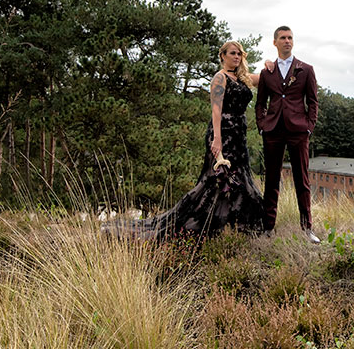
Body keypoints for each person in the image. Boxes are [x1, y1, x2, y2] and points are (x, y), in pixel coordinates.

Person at [113, 41, 266, 241]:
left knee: (241, 181)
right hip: (223, 135)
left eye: (239, 54)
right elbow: (216, 110)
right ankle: (206, 228)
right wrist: (217, 140)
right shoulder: (219, 78)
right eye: (232, 53)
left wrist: (271, 63)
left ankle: (235, 228)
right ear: (222, 56)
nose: (236, 57)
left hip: (239, 137)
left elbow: (265, 78)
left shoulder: (243, 78)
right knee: (217, 182)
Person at [255, 25, 320, 242]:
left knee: (302, 179)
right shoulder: (267, 72)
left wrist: (309, 126)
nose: (287, 41)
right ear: (275, 42)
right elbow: (260, 102)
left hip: (298, 131)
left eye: (290, 37)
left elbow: (312, 101)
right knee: (271, 180)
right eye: (282, 38)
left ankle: (307, 229)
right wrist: (262, 124)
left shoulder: (306, 69)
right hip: (272, 131)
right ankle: (268, 227)